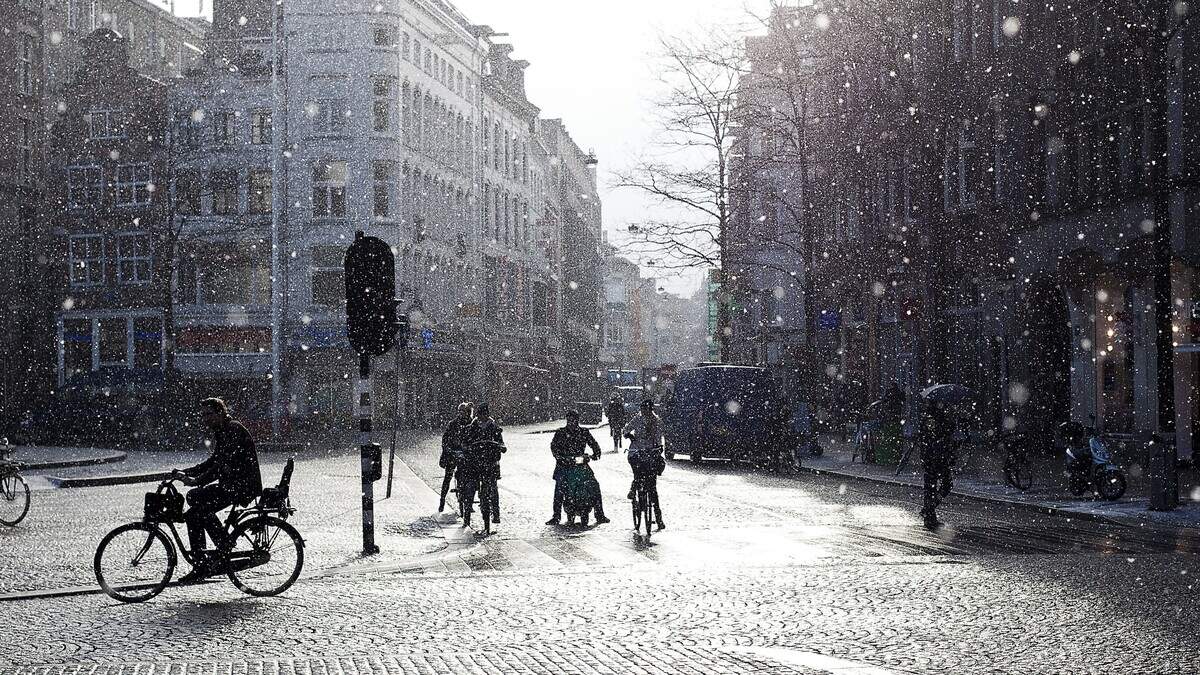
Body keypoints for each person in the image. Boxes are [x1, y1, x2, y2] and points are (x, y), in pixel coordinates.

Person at [172, 398, 262, 582]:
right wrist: (186, 472)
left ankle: (220, 547)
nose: (205, 419)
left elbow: (222, 464)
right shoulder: (223, 430)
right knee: (194, 502)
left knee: (198, 511)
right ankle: (206, 559)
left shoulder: (233, 430)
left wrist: (197, 479)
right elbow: (214, 461)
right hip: (232, 484)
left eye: (208, 414)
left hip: (242, 486)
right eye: (202, 415)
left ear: (220, 412)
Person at [547, 409, 609, 525]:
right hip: (564, 466)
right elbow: (554, 447)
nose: (571, 423)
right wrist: (560, 458)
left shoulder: (584, 432)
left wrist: (596, 453)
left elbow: (594, 444)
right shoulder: (560, 433)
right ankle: (556, 516)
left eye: (573, 420)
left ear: (577, 421)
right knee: (560, 488)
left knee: (594, 485)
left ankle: (600, 514)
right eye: (569, 420)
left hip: (581, 464)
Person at [622, 398, 666, 530]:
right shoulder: (638, 419)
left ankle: (658, 518)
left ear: (650, 409)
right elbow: (626, 429)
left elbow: (659, 438)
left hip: (651, 452)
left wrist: (658, 449)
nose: (643, 412)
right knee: (638, 473)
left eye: (645, 409)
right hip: (637, 451)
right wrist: (629, 435)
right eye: (642, 409)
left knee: (652, 488)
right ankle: (634, 487)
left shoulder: (656, 421)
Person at [461, 402, 506, 530]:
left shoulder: (494, 428)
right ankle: (467, 510)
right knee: (470, 486)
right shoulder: (472, 428)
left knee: (493, 487)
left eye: (486, 414)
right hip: (475, 464)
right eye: (481, 414)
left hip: (490, 463)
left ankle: (496, 513)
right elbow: (465, 443)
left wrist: (501, 446)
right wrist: (467, 448)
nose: (483, 416)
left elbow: (501, 442)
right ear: (478, 415)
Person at [918, 399, 958, 529]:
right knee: (937, 486)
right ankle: (929, 513)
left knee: (935, 486)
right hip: (935, 456)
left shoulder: (932, 418)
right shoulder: (932, 419)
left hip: (936, 456)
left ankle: (929, 511)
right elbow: (939, 434)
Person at [438, 402, 473, 513]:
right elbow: (445, 439)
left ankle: (469, 502)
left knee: (470, 478)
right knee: (448, 477)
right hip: (453, 453)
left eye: (464, 412)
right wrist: (448, 449)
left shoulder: (472, 424)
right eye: (460, 411)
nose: (461, 414)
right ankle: (442, 499)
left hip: (466, 454)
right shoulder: (452, 424)